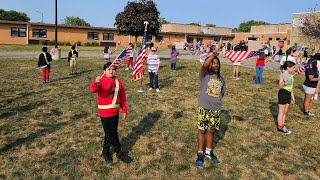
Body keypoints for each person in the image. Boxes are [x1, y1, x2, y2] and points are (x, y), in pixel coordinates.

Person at [89, 62, 132, 164]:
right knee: (113, 133)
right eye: (109, 69)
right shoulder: (101, 81)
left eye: (113, 69)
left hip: (115, 113)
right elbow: (92, 89)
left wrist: (124, 110)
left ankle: (105, 151)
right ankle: (119, 152)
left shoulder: (119, 82)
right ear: (104, 71)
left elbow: (122, 98)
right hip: (105, 113)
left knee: (109, 133)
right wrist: (96, 82)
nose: (111, 71)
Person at [196, 51, 225, 166]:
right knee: (202, 130)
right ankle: (200, 153)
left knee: (211, 130)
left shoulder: (222, 80)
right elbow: (204, 65)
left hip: (215, 109)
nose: (215, 65)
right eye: (213, 63)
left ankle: (208, 151)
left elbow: (221, 94)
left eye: (217, 63)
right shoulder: (204, 75)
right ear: (209, 65)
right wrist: (213, 55)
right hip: (204, 107)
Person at [277, 61, 296, 134]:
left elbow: (291, 87)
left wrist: (292, 97)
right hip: (283, 93)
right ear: (288, 67)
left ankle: (282, 125)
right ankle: (280, 127)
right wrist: (284, 81)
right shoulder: (282, 75)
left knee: (285, 111)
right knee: (281, 111)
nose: (294, 69)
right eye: (293, 67)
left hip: (288, 93)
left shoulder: (291, 75)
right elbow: (279, 86)